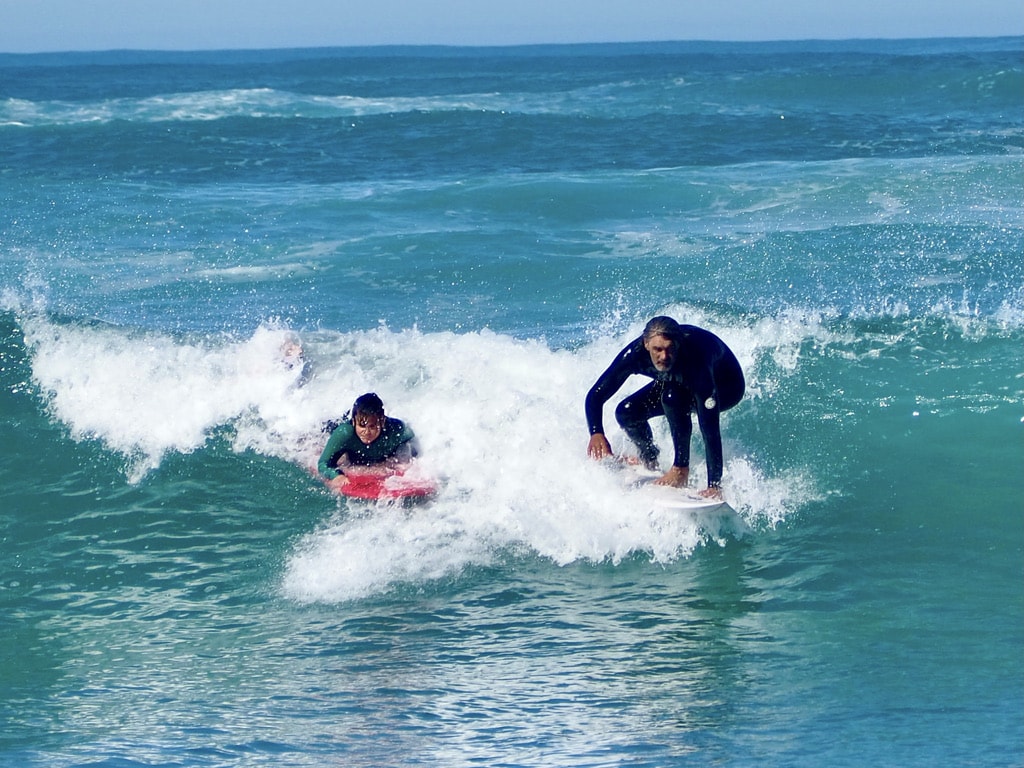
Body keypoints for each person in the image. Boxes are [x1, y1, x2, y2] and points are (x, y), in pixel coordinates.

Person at [585, 316, 744, 498]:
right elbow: (596, 395)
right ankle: (649, 459)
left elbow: (710, 430)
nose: (664, 356)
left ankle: (680, 470)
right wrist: (596, 432)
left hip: (727, 387)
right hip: (676, 379)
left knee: (672, 398)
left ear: (679, 345)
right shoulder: (634, 355)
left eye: (670, 349)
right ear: (646, 344)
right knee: (627, 412)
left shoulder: (696, 364)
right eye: (657, 349)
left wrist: (714, 485)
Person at [317, 393, 419, 492]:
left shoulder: (396, 429)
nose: (366, 432)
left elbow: (413, 441)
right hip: (338, 436)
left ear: (382, 421)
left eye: (372, 426)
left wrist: (405, 461)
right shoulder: (344, 433)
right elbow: (323, 463)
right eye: (362, 426)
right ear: (354, 422)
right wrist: (336, 475)